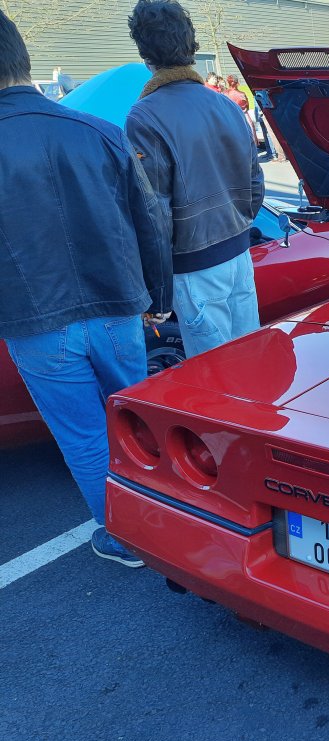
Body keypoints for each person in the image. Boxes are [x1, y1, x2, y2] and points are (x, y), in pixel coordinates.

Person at [0, 10, 172, 567]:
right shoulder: (99, 131)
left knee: (82, 434)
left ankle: (124, 537)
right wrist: (159, 300)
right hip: (119, 309)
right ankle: (166, 521)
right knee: (134, 421)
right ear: (24, 59)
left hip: (36, 322)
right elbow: (150, 223)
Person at [126, 0, 265, 358]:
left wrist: (156, 295)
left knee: (216, 373)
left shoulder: (145, 116)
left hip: (195, 266)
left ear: (144, 52)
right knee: (249, 359)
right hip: (238, 253)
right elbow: (255, 184)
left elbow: (154, 214)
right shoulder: (226, 105)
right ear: (191, 46)